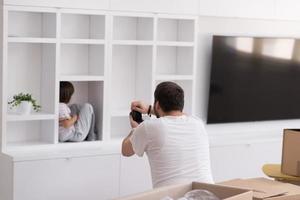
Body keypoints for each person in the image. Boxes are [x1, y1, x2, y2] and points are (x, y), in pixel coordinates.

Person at [122, 81, 214, 188]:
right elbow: (179, 115)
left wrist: (135, 130)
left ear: (157, 105)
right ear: (181, 105)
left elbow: (125, 150)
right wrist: (149, 109)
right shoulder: (198, 123)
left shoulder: (148, 127)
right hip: (208, 194)